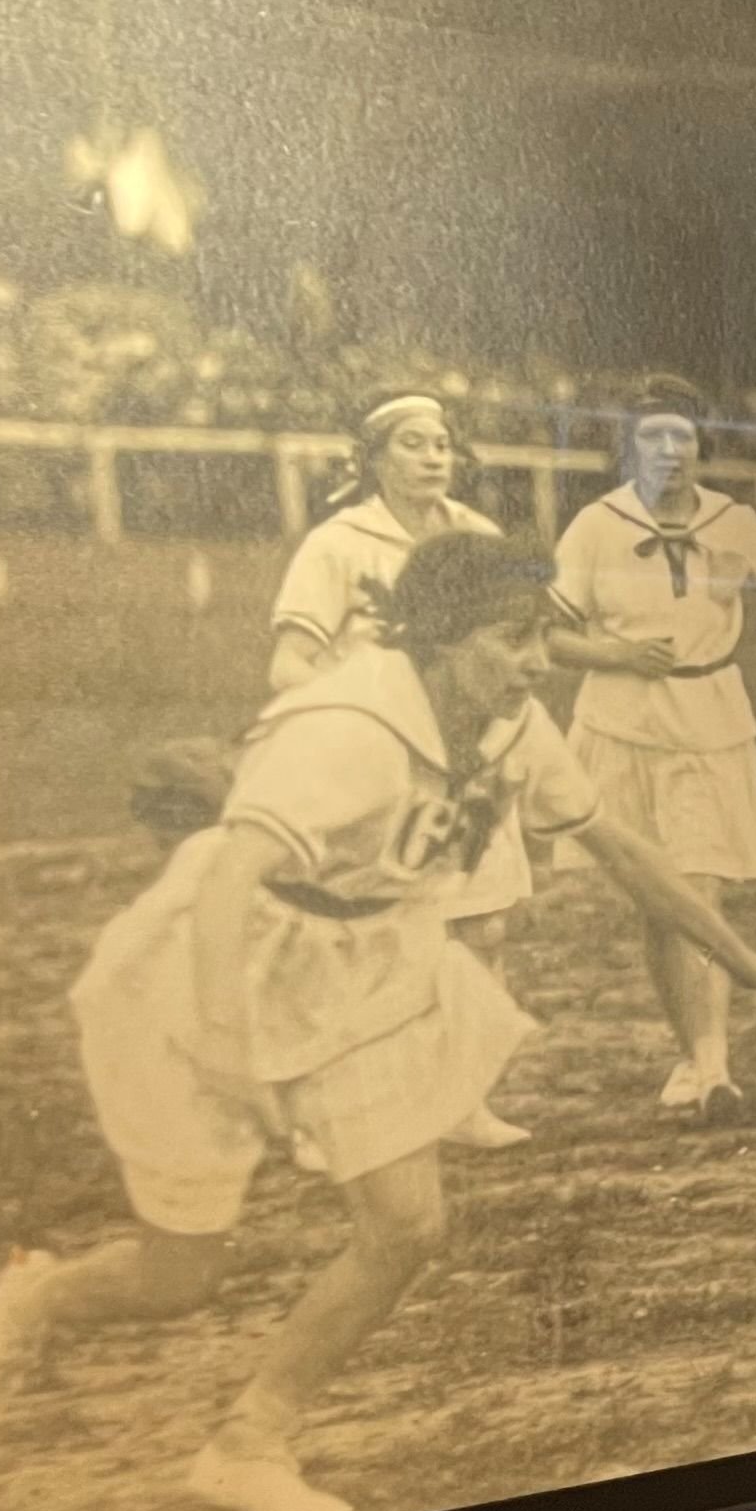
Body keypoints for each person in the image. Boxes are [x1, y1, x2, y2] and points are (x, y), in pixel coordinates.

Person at [0, 534, 756, 1511]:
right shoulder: (346, 723)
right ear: (443, 638)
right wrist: (229, 1046)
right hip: (207, 966)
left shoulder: (508, 721)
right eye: (514, 638)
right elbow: (230, 880)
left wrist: (740, 958)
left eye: (545, 637)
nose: (538, 662)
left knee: (407, 1224)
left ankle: (247, 1443)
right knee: (179, 1275)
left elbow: (619, 846)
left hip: (364, 964)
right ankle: (35, 1302)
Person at [549, 375, 756, 1122]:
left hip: (710, 721)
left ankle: (715, 1068)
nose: (669, 451)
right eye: (653, 436)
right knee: (660, 909)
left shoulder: (732, 521)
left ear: (702, 447)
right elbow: (549, 637)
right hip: (620, 726)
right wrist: (619, 656)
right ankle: (694, 1056)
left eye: (683, 436)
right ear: (627, 448)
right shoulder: (595, 526)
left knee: (699, 886)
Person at [267, 389, 534, 1145]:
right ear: (375, 460)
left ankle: (463, 1104)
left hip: (466, 761)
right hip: (381, 767)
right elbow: (290, 663)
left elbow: (516, 639)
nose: (433, 458)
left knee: (481, 929)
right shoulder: (338, 544)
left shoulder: (480, 538)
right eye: (414, 444)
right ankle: (322, 1123)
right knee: (362, 943)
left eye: (443, 443)